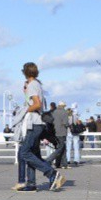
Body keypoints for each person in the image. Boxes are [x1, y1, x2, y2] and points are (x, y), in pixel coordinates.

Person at [16, 62, 65, 192]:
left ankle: (52, 173)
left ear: (25, 72)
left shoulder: (32, 85)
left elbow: (37, 104)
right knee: (32, 153)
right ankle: (31, 183)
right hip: (38, 123)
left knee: (24, 152)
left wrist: (24, 110)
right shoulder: (37, 84)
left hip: (34, 123)